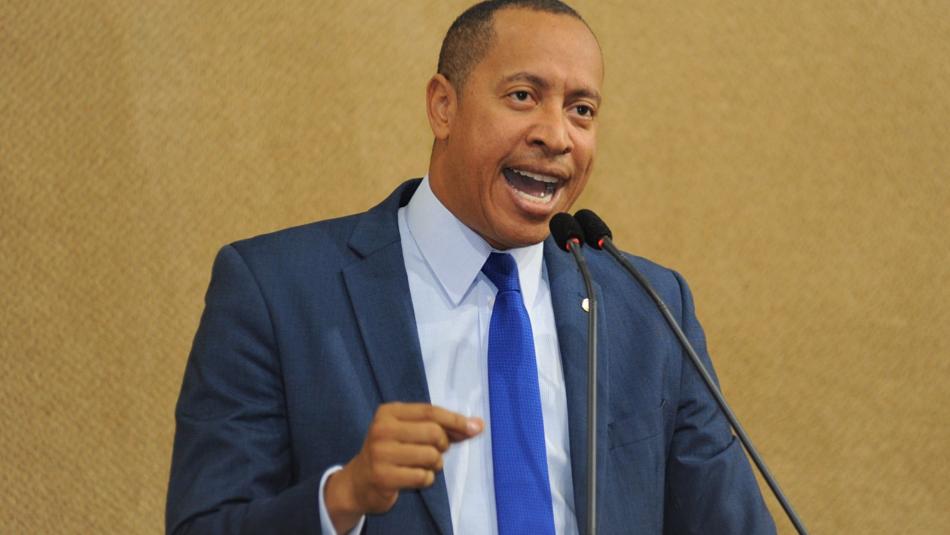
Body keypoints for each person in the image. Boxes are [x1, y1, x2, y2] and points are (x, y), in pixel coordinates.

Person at [166, 1, 776, 534]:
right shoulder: (276, 291)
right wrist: (342, 497)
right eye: (523, 96)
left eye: (582, 109)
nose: (557, 135)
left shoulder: (649, 308)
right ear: (443, 107)